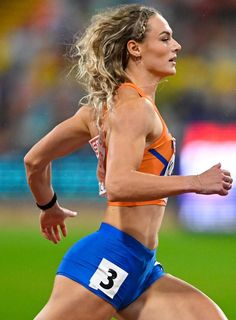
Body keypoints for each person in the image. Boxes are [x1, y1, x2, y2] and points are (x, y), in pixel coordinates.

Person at [24, 4, 233, 320]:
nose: (176, 46)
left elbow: (34, 161)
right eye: (164, 39)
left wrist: (47, 205)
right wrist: (195, 182)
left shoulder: (101, 110)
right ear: (134, 48)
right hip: (113, 258)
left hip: (140, 267)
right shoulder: (135, 109)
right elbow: (119, 184)